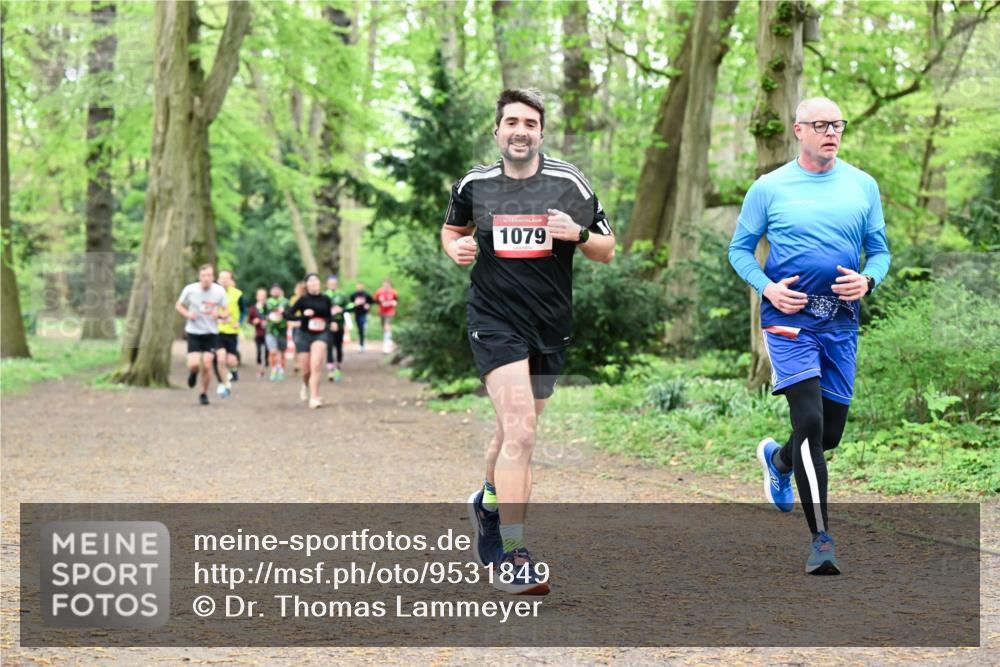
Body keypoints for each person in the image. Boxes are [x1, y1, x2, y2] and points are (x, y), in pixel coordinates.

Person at [442, 89, 615, 594]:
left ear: (541, 132)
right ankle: (514, 555)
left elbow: (607, 249)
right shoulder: (474, 184)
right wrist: (457, 248)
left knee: (511, 431)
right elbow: (451, 231)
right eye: (512, 122)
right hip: (494, 320)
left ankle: (488, 504)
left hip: (549, 326)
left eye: (530, 123)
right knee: (521, 433)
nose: (521, 130)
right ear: (497, 131)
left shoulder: (569, 182)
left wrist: (577, 234)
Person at [728, 96, 891, 576]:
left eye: (837, 124)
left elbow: (880, 252)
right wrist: (768, 288)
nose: (831, 132)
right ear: (798, 130)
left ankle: (779, 461)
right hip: (789, 322)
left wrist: (869, 280)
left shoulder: (863, 186)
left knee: (829, 434)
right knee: (811, 423)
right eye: (820, 125)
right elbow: (739, 250)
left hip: (840, 322)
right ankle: (822, 540)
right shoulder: (769, 187)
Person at [175, 264, 229, 406]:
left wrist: (219, 315)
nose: (206, 278)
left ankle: (203, 394)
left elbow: (226, 311)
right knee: (193, 364)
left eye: (209, 275)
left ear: (213, 277)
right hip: (194, 332)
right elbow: (178, 305)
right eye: (203, 276)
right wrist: (188, 314)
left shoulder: (219, 291)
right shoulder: (190, 289)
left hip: (211, 333)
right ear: (199, 277)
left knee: (207, 364)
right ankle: (193, 373)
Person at [284, 273, 335, 409]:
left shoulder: (326, 299)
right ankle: (305, 384)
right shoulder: (302, 300)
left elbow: (329, 316)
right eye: (310, 281)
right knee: (306, 370)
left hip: (321, 334)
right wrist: (302, 317)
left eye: (315, 280)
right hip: (304, 335)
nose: (313, 283)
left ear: (319, 283)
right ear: (306, 285)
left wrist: (332, 323)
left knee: (316, 364)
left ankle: (314, 397)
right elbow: (288, 315)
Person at [216, 270, 245, 396]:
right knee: (221, 358)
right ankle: (224, 383)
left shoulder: (237, 294)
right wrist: (218, 318)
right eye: (222, 278)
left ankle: (233, 370)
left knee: (232, 361)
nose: (224, 280)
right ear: (218, 280)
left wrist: (239, 322)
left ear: (231, 280)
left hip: (232, 331)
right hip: (218, 331)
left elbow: (244, 311)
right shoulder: (213, 293)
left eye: (226, 278)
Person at [323, 275, 350, 381]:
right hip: (327, 324)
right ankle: (330, 368)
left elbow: (350, 306)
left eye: (334, 284)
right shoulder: (324, 295)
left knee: (338, 345)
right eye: (330, 284)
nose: (332, 285)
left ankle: (338, 363)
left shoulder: (342, 295)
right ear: (327, 284)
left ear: (337, 284)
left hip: (340, 324)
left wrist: (342, 309)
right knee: (329, 345)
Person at [264, 284, 288, 381]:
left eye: (277, 289)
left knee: (282, 352)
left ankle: (281, 370)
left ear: (281, 291)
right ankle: (274, 369)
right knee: (273, 351)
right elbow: (262, 313)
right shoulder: (267, 302)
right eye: (274, 290)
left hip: (282, 331)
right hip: (270, 330)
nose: (275, 291)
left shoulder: (285, 302)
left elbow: (290, 313)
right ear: (270, 292)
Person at [247, 287, 269, 379]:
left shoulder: (269, 307)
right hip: (258, 334)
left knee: (268, 352)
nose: (262, 297)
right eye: (260, 295)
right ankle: (259, 370)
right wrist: (254, 322)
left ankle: (266, 369)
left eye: (264, 296)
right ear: (257, 297)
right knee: (259, 352)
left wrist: (268, 321)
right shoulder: (253, 308)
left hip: (268, 334)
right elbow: (249, 320)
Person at [373, 278, 399, 355]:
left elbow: (397, 300)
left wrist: (393, 303)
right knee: (384, 327)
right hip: (382, 312)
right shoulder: (379, 291)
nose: (386, 286)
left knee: (387, 325)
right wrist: (381, 303)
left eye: (387, 285)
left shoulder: (393, 292)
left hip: (390, 311)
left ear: (390, 285)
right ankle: (388, 340)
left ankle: (387, 345)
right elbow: (375, 301)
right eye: (384, 285)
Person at [349, 282, 373, 352]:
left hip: (364, 314)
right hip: (357, 313)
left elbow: (371, 301)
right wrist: (354, 304)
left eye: (360, 286)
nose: (359, 287)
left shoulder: (366, 294)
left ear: (363, 286)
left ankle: (362, 345)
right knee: (359, 329)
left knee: (362, 328)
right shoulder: (353, 295)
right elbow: (349, 304)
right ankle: (361, 343)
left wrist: (368, 305)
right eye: (358, 286)